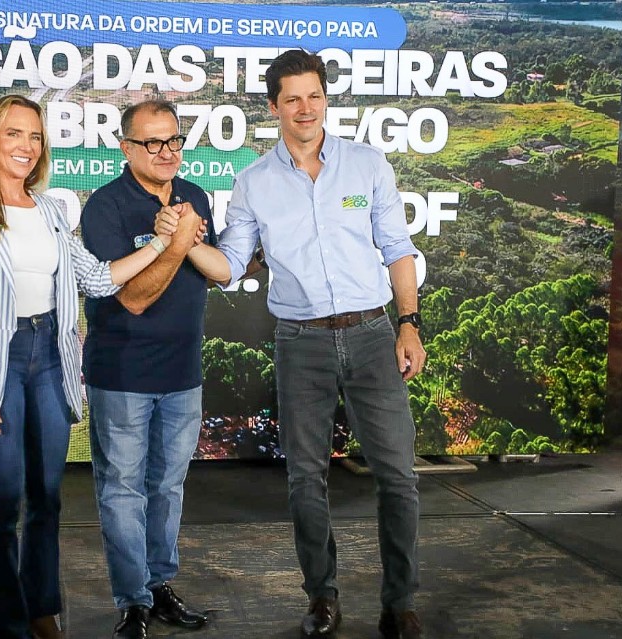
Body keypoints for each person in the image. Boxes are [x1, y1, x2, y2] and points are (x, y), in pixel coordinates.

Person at [157, 49, 427, 639]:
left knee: (398, 476)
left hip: (373, 334)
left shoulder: (367, 165)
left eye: (314, 96)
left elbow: (398, 249)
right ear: (273, 106)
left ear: (326, 98)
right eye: (293, 99)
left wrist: (409, 323)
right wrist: (184, 242)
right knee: (306, 478)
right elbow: (230, 266)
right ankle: (322, 597)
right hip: (300, 343)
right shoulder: (253, 182)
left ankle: (400, 603)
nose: (306, 108)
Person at [0, 94, 192, 639]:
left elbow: (95, 278)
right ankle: (7, 625)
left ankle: (42, 610)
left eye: (34, 136)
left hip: (49, 354)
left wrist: (163, 244)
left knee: (46, 498)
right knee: (4, 501)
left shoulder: (49, 210)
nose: (26, 145)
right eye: (13, 133)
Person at [81, 100, 213, 639]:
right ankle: (132, 600)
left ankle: (160, 587)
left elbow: (215, 266)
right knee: (122, 490)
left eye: (174, 140)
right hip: (123, 374)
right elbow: (133, 298)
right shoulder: (105, 206)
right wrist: (175, 242)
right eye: (152, 142)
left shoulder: (195, 196)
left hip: (183, 372)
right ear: (126, 147)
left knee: (168, 488)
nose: (166, 152)